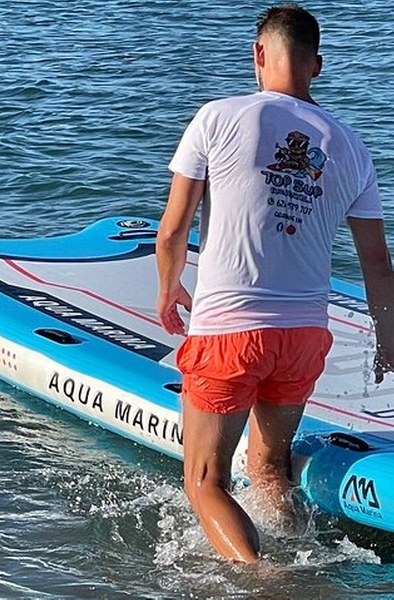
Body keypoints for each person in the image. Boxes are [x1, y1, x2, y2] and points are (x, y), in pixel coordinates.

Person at [155, 3, 394, 563]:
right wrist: (388, 340)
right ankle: (296, 557)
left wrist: (168, 289)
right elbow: (378, 265)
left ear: (258, 54)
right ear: (317, 65)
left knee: (205, 482)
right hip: (304, 337)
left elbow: (171, 232)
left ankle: (269, 583)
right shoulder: (353, 148)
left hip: (229, 332)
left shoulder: (217, 117)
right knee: (268, 470)